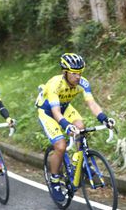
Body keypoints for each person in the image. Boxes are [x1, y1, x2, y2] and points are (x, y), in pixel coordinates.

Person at [36, 53, 115, 202]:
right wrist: (66, 126)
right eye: (74, 73)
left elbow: (91, 103)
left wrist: (104, 119)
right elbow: (56, 112)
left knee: (80, 126)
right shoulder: (54, 84)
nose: (78, 77)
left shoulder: (82, 83)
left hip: (65, 107)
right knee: (60, 146)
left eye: (80, 73)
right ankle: (54, 180)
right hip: (48, 112)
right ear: (65, 72)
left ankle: (80, 162)